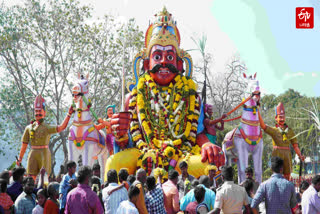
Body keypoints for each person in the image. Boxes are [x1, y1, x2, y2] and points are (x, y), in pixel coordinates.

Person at [16, 95, 74, 180]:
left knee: (44, 178)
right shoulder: (29, 127)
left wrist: (68, 114)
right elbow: (24, 144)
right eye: (36, 111)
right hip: (33, 154)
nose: (37, 113)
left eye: (40, 111)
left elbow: (61, 127)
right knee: (30, 178)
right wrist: (20, 158)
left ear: (44, 113)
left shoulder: (47, 127)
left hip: (44, 154)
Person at [258, 102, 305, 180]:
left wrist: (300, 155)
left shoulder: (290, 131)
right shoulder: (274, 130)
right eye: (280, 117)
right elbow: (263, 126)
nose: (282, 119)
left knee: (287, 176)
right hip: (277, 154)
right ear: (276, 118)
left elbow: (295, 145)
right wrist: (257, 111)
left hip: (287, 155)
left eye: (283, 117)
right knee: (276, 175)